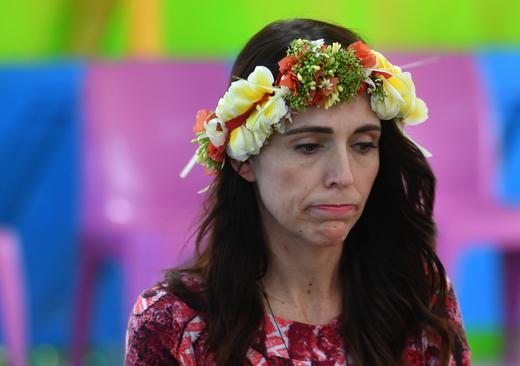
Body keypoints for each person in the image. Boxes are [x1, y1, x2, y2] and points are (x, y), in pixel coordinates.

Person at [124, 18, 471, 366]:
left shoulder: (418, 299)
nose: (343, 176)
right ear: (244, 160)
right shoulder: (174, 322)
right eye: (308, 147)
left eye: (363, 145)